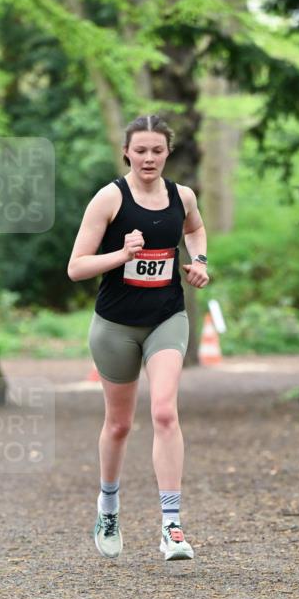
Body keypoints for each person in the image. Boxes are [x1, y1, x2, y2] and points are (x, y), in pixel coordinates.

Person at [67, 114, 210, 562]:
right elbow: (76, 267)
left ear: (168, 153)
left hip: (167, 318)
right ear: (126, 152)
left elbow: (195, 229)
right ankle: (108, 505)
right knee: (120, 424)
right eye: (140, 150)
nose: (149, 158)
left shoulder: (181, 196)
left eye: (157, 150)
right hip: (115, 326)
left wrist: (200, 260)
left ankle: (172, 526)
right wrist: (121, 254)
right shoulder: (109, 199)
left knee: (165, 411)